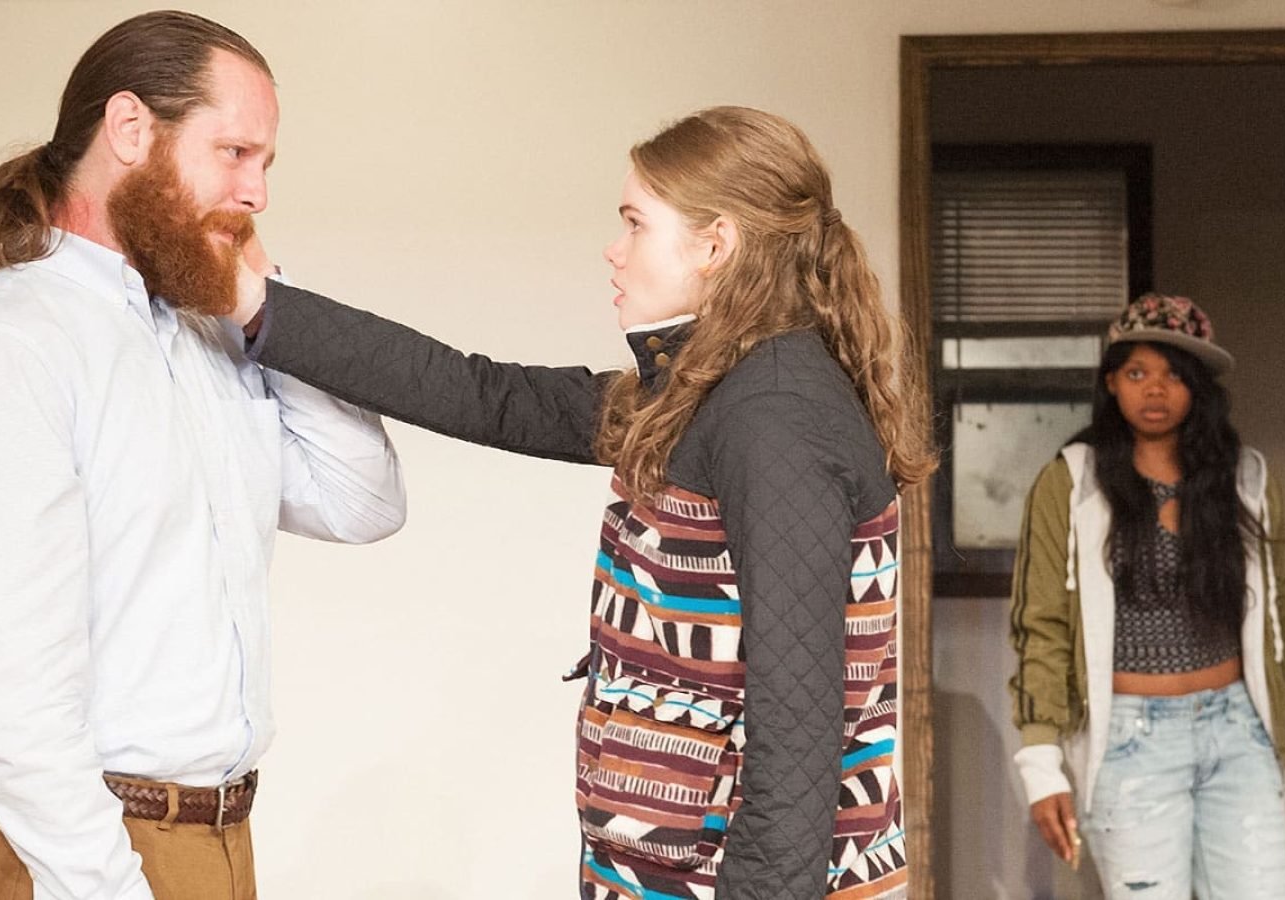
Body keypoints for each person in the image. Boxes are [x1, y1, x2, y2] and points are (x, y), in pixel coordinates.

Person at [226, 106, 934, 899]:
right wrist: (259, 302)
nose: (614, 248)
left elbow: (801, 727)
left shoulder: (775, 416)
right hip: (671, 872)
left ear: (715, 244)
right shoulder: (712, 391)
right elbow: (482, 392)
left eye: (635, 223)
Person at [0, 12, 405, 900]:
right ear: (130, 129)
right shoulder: (9, 348)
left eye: (266, 163)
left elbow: (364, 503)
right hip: (74, 857)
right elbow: (10, 700)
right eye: (235, 153)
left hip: (216, 843)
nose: (257, 192)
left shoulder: (209, 333)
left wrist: (262, 297)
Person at [1009, 293, 1285, 898]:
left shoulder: (1244, 479)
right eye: (1137, 372)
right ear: (1111, 382)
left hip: (1238, 732)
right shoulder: (1071, 481)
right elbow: (1044, 629)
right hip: (1129, 743)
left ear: (1200, 387)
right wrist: (1041, 765)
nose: (1155, 389)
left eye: (1173, 374)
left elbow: (1284, 613)